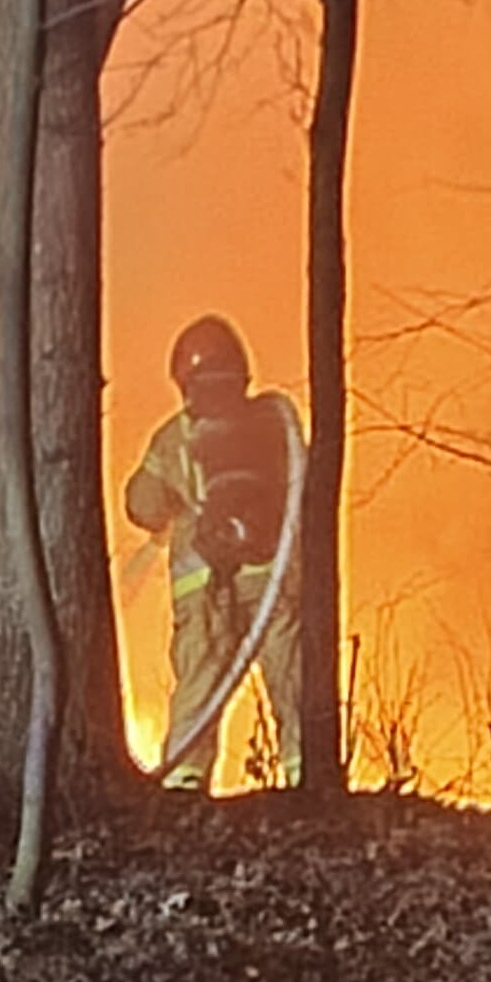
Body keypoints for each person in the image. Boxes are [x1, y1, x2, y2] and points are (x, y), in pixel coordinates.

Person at [123, 314, 304, 791]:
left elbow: (142, 506)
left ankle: (184, 781)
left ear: (184, 379)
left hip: (204, 587)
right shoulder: (273, 421)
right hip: (273, 577)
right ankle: (304, 775)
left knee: (201, 682)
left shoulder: (175, 437)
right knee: (291, 680)